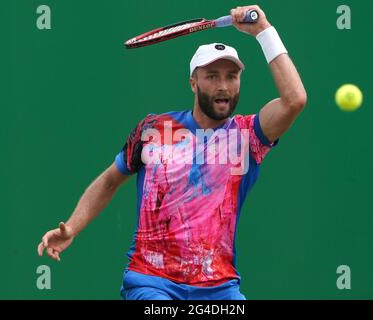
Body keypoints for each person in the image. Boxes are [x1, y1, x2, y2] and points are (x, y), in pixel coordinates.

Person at [37, 4, 307, 300]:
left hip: (219, 288)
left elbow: (294, 99)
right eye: (212, 76)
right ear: (193, 83)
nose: (223, 86)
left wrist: (263, 31)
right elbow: (109, 181)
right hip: (151, 282)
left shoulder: (248, 136)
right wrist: (72, 228)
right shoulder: (153, 129)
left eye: (231, 76)